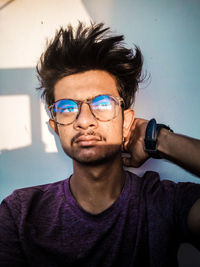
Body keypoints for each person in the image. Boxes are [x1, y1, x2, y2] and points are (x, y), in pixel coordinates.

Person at [0, 22, 200, 267]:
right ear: (55, 127)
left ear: (127, 121)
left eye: (103, 104)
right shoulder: (19, 212)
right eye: (66, 108)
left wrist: (157, 138)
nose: (84, 121)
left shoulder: (163, 201)